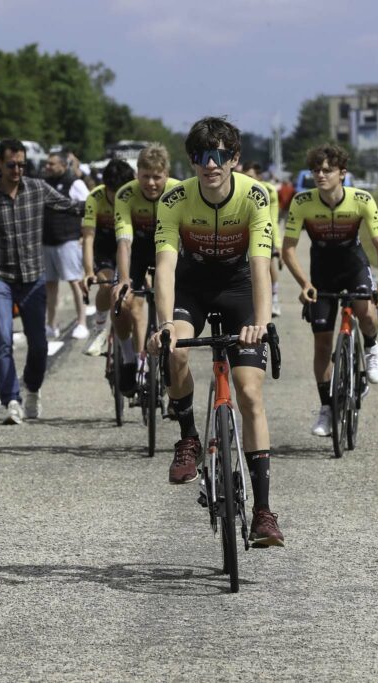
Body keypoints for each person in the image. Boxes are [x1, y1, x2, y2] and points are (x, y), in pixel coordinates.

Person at [148, 116, 284, 547]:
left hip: (237, 287)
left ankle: (263, 512)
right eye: (202, 156)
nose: (211, 164)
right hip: (192, 285)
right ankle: (188, 437)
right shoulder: (174, 199)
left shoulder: (255, 195)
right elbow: (165, 266)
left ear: (234, 159)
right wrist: (164, 324)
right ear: (192, 161)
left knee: (249, 393)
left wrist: (261, 323)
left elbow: (261, 265)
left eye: (219, 155)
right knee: (177, 351)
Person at [0, 139, 82, 425]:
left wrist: (107, 205)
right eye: (11, 165)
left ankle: (32, 388)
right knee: (2, 340)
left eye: (22, 164)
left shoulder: (37, 188)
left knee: (39, 344)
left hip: (33, 278)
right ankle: (11, 401)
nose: (18, 170)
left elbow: (71, 207)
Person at [281, 144, 378, 438]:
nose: (320, 175)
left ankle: (371, 347)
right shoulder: (302, 202)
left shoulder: (361, 199)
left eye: (327, 170)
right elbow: (288, 249)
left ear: (342, 173)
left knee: (365, 311)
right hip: (322, 273)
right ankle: (327, 408)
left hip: (353, 265)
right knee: (321, 343)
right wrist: (304, 284)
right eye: (316, 170)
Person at [111, 144, 180, 395]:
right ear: (137, 174)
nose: (151, 183)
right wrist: (125, 280)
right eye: (145, 176)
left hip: (169, 249)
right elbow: (124, 242)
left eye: (157, 177)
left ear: (167, 175)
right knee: (119, 300)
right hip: (138, 250)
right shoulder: (125, 194)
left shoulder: (178, 191)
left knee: (177, 312)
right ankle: (130, 358)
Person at [79, 159, 134, 357]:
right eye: (114, 193)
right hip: (104, 246)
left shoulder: (135, 194)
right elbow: (88, 238)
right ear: (106, 188)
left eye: (123, 193)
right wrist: (88, 272)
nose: (119, 198)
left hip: (129, 244)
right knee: (106, 284)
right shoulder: (95, 197)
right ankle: (100, 328)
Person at [42, 151, 90, 340]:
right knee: (50, 284)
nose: (47, 167)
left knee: (75, 282)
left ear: (63, 165)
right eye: (47, 163)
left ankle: (82, 323)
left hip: (68, 240)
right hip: (47, 241)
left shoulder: (74, 183)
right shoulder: (45, 183)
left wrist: (85, 234)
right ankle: (51, 324)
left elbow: (90, 206)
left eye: (51, 164)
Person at [242, 162, 283, 318]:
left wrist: (277, 245)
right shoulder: (240, 188)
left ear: (259, 177)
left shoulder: (269, 191)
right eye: (245, 177)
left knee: (268, 262)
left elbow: (273, 219)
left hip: (263, 228)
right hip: (243, 231)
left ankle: (274, 297)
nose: (247, 180)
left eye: (251, 177)